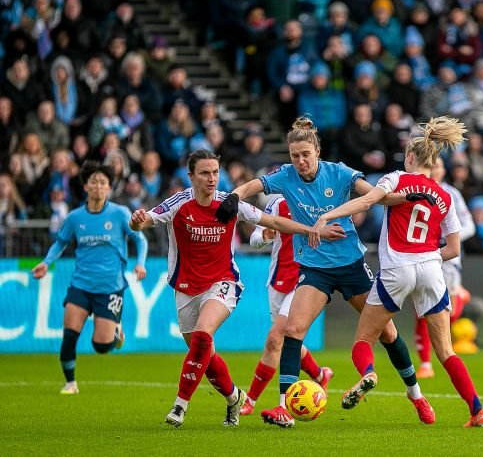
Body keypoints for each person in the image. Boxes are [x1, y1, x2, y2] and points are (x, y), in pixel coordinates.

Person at [217, 117, 428, 428]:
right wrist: (234, 196)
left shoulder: (339, 172)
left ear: (317, 150)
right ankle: (285, 406)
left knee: (387, 332)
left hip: (351, 266)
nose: (300, 162)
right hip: (314, 268)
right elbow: (254, 185)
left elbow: (373, 195)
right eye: (294, 156)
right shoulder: (286, 176)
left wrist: (404, 198)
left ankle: (416, 394)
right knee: (292, 330)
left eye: (306, 154)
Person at [127, 149, 344, 428]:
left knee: (204, 335)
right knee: (204, 354)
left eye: (216, 172)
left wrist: (314, 230)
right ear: (190, 176)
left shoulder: (229, 203)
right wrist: (136, 221)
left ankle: (180, 406)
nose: (212, 178)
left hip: (223, 282)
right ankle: (234, 398)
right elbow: (145, 220)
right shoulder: (179, 203)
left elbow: (274, 222)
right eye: (205, 173)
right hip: (186, 286)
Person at [310, 116, 483, 428]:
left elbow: (366, 202)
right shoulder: (445, 194)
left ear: (409, 157)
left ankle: (368, 374)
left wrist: (327, 216)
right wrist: (429, 255)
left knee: (364, 339)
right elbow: (454, 249)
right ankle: (478, 411)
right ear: (433, 163)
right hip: (432, 270)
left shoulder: (395, 178)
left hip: (397, 268)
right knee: (446, 351)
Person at [31, 161, 148, 395]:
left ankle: (115, 330)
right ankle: (70, 383)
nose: (98, 186)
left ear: (109, 187)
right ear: (85, 186)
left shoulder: (119, 213)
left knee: (101, 346)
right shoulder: (75, 217)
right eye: (93, 181)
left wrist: (140, 263)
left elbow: (140, 239)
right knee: (69, 334)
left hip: (110, 288)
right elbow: (61, 242)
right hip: (81, 285)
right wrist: (46, 262)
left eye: (103, 182)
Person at [241, 194, 333, 415]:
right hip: (277, 281)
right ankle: (320, 375)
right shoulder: (277, 203)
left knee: (275, 339)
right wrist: (265, 234)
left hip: (306, 281)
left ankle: (259, 402)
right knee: (285, 342)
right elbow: (255, 239)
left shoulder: (321, 200)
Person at [414, 155, 476, 379]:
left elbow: (470, 225)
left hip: (447, 258)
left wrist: (451, 238)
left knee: (447, 311)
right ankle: (425, 363)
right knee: (422, 310)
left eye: (438, 166)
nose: (434, 170)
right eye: (431, 166)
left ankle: (460, 298)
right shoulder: (415, 190)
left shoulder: (451, 194)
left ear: (443, 170)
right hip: (422, 257)